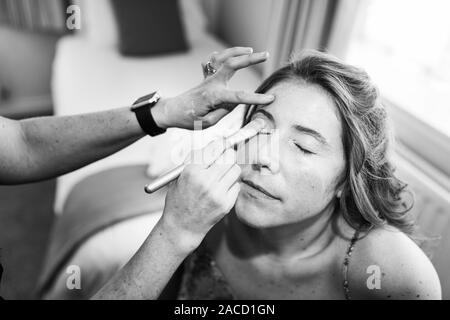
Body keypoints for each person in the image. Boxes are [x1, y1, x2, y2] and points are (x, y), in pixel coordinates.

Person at [94, 50, 441, 300]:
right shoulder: (202, 212)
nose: (260, 155)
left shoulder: (394, 275)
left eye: (303, 147)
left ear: (347, 179)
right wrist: (172, 234)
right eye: (258, 128)